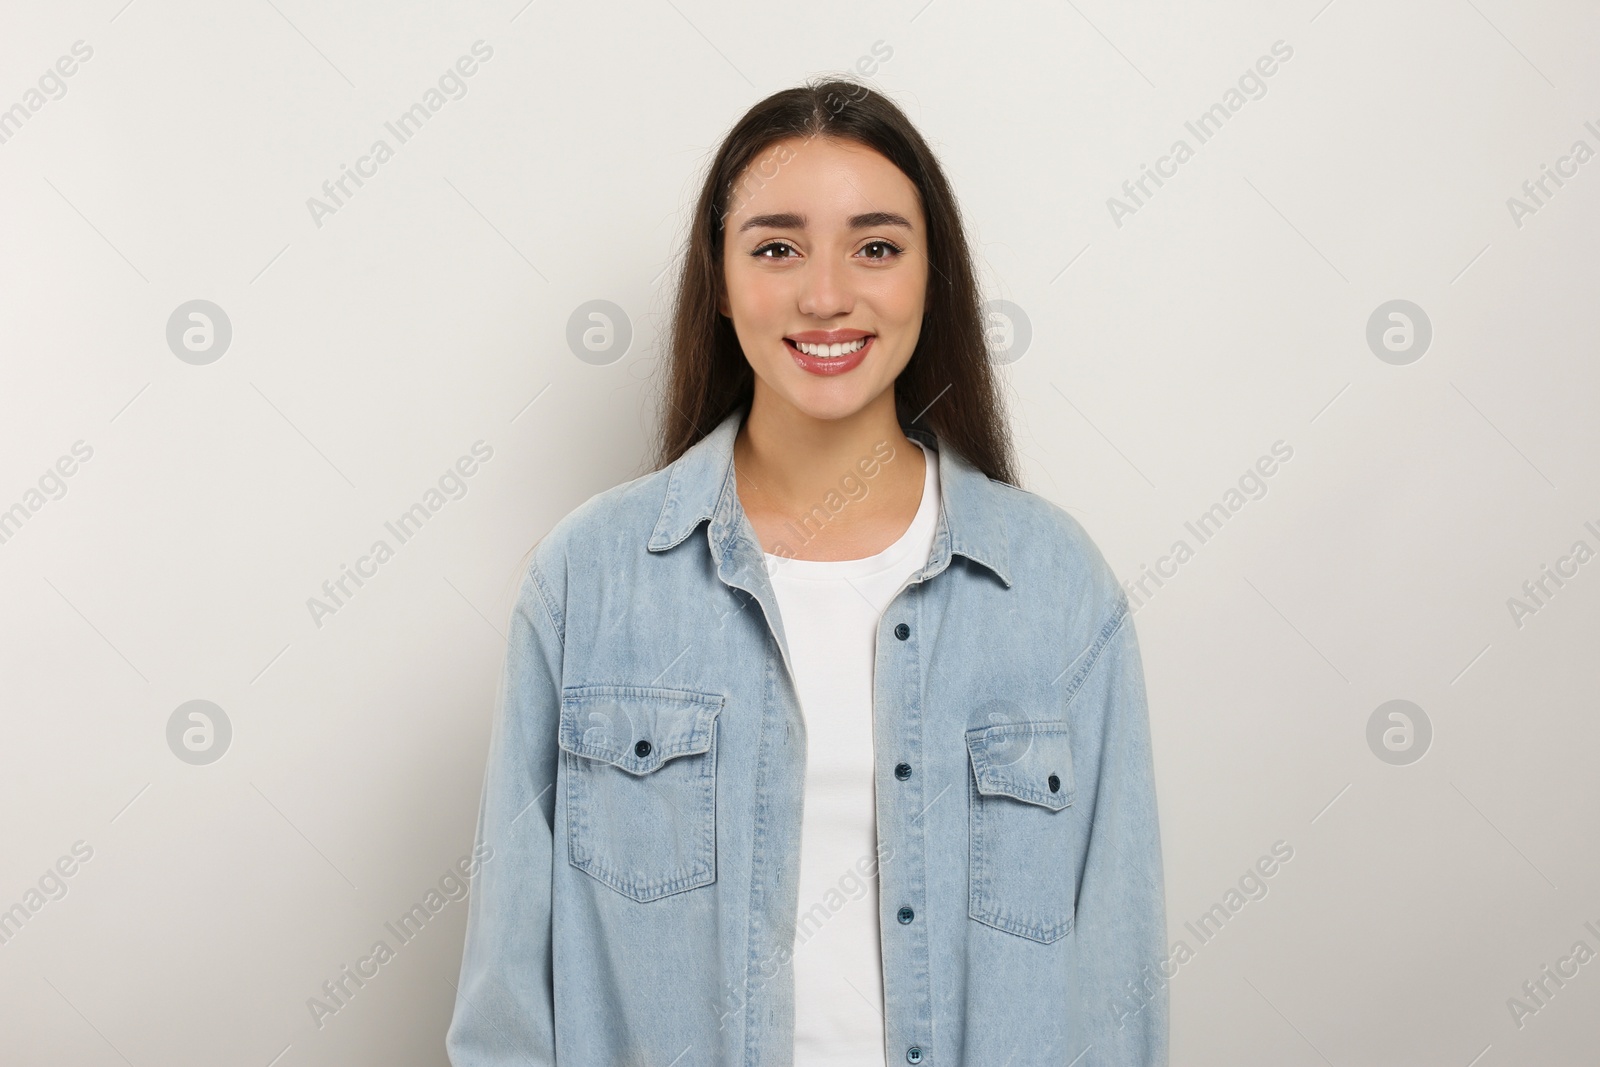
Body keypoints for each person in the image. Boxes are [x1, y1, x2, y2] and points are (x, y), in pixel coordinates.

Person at [446, 76, 1168, 1066]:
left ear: (931, 275)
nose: (825, 294)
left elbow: (1114, 998)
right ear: (720, 275)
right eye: (776, 247)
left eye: (875, 246)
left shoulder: (1054, 589)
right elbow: (505, 1008)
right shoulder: (588, 580)